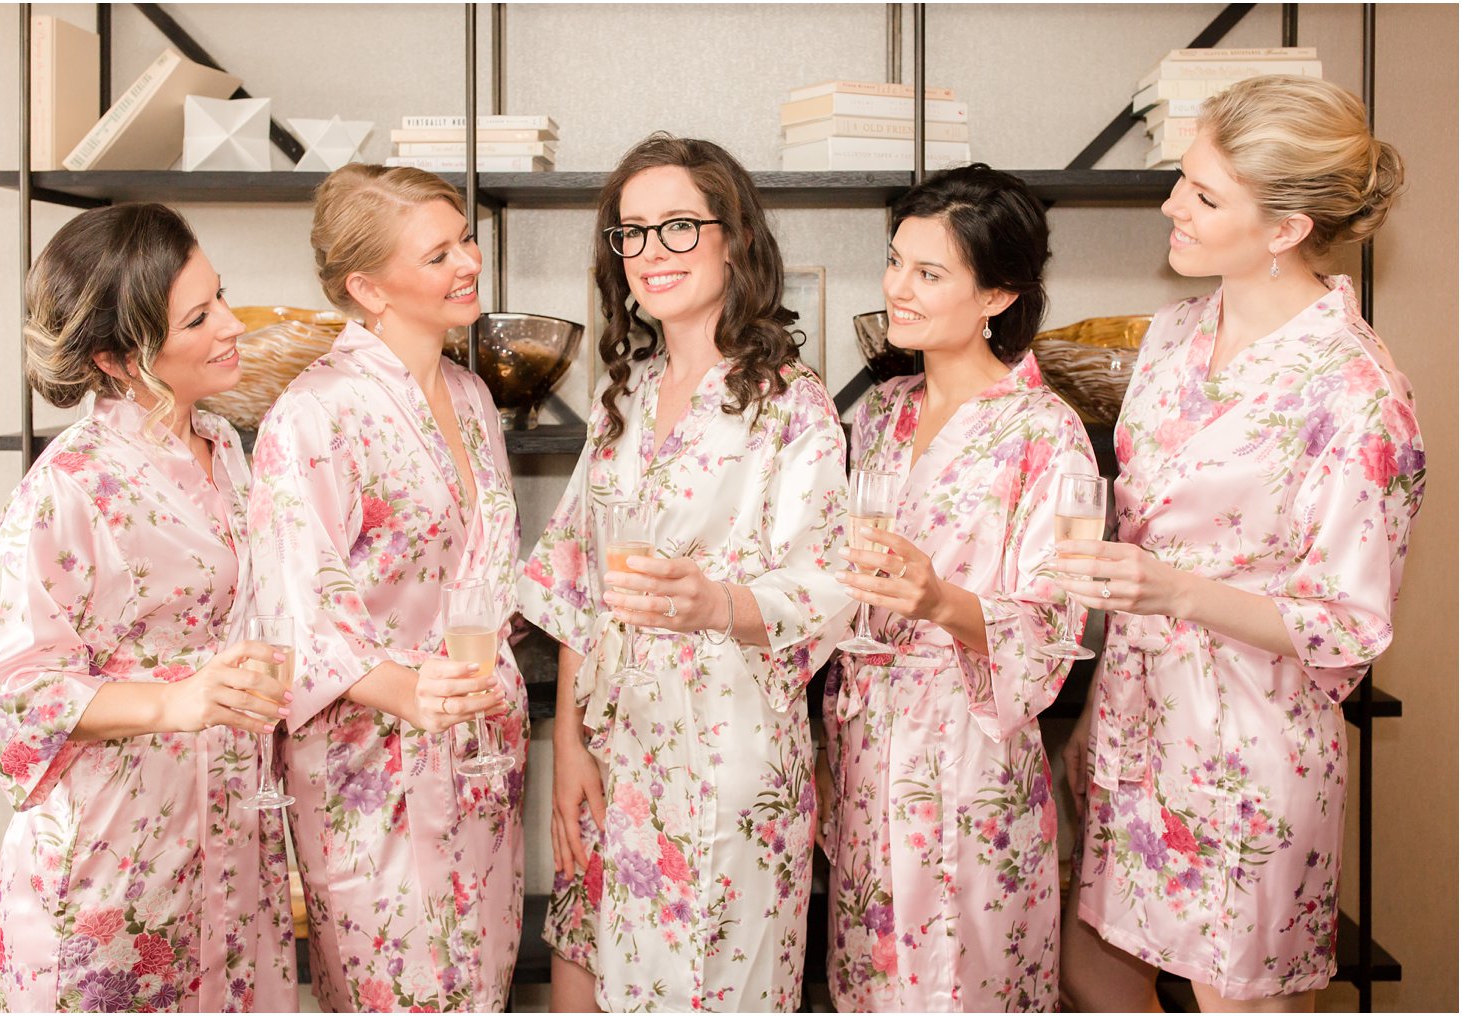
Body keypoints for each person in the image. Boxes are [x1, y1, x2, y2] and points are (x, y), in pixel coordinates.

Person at [1050, 76, 1424, 1011]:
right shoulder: (1176, 336)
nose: (1172, 204)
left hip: (1251, 752)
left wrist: (1171, 590)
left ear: (1287, 228)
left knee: (1239, 997)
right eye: (1183, 178)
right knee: (1093, 966)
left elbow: (1346, 624)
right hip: (1136, 727)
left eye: (1205, 195)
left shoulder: (1360, 393)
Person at [516, 133, 855, 1013]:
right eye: (631, 233)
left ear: (734, 235)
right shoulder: (620, 394)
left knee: (711, 989)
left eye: (677, 227)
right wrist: (573, 753)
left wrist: (719, 602)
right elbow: (581, 586)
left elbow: (831, 581)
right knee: (593, 976)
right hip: (621, 748)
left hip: (729, 751)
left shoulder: (792, 402)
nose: (650, 254)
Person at [0, 203, 297, 1012]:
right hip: (113, 861)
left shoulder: (225, 446)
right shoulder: (69, 486)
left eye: (222, 297)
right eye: (198, 317)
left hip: (228, 851)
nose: (231, 325)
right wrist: (174, 700)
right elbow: (4, 689)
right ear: (118, 357)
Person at [246, 164, 526, 1012]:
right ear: (366, 287)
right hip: (370, 761)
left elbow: (491, 572)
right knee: (394, 988)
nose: (467, 263)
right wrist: (416, 695)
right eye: (437, 254)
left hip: (477, 743)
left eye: (465, 240)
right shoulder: (312, 413)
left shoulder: (473, 397)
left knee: (480, 980)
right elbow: (296, 607)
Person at [819, 164, 1095, 1011]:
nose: (898, 288)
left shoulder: (1046, 433)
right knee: (869, 980)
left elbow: (1054, 626)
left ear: (997, 296)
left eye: (929, 273)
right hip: (865, 749)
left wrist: (940, 601)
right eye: (896, 261)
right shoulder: (882, 412)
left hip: (969, 760)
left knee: (961, 984)